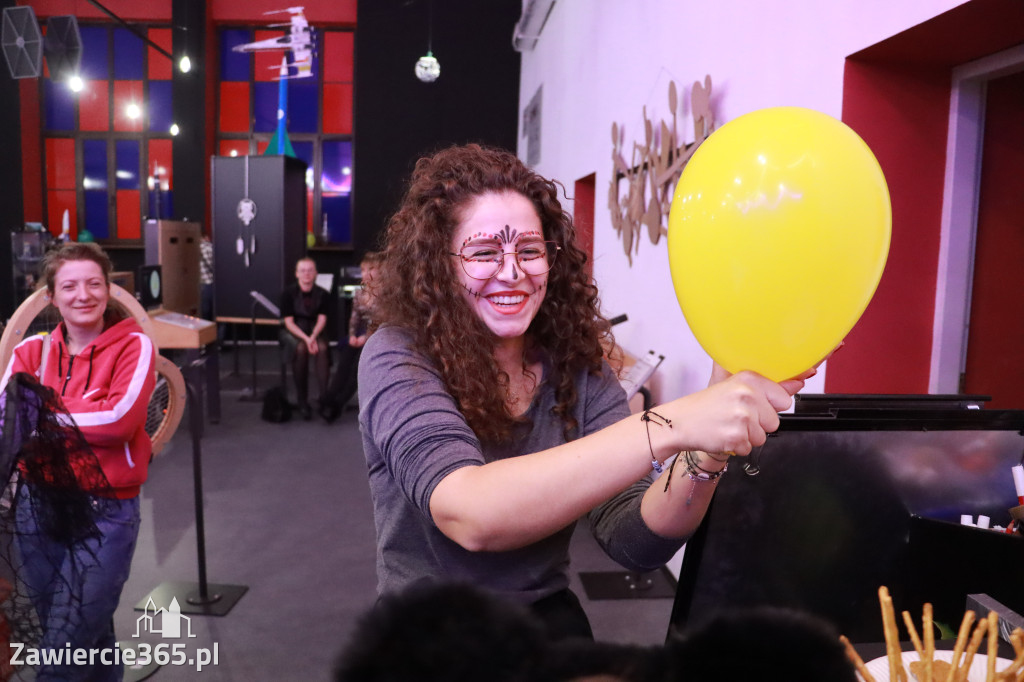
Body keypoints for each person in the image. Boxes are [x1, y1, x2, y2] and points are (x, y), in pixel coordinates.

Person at [358, 144, 816, 640]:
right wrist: (674, 422)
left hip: (544, 628)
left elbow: (634, 541)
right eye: (485, 252)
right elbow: (470, 513)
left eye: (529, 250)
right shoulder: (397, 355)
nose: (512, 272)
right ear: (440, 265)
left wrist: (703, 452)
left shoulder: (577, 366)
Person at [0, 241, 156, 681]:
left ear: (108, 289)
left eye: (93, 283)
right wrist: (78, 411)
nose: (82, 295)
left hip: (105, 511)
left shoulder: (134, 347)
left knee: (63, 650)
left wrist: (43, 413)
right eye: (69, 286)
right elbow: (9, 420)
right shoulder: (30, 352)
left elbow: (119, 421)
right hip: (37, 505)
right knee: (83, 633)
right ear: (52, 296)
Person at [320, 251, 382, 422]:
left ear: (380, 270)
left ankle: (338, 404)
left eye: (371, 269)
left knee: (357, 366)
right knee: (345, 360)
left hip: (380, 335)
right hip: (362, 334)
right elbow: (354, 318)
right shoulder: (360, 293)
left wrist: (366, 338)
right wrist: (352, 335)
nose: (366, 273)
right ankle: (329, 397)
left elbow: (382, 321)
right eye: (363, 269)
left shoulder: (388, 293)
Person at [279, 257, 331, 420]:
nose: (306, 274)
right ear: (297, 274)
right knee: (300, 349)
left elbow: (322, 319)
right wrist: (307, 340)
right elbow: (289, 323)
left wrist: (313, 337)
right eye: (303, 270)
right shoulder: (287, 294)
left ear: (315, 273)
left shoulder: (323, 294)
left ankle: (324, 399)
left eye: (310, 270)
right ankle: (302, 400)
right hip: (293, 331)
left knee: (322, 348)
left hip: (315, 328)